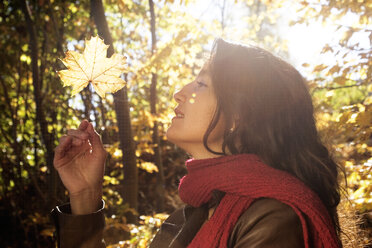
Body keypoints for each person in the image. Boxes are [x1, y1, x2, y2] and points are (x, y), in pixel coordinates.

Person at [51, 38, 343, 247]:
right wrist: (86, 196)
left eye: (201, 84)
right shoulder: (191, 213)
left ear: (238, 116)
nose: (179, 92)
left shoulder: (274, 219)